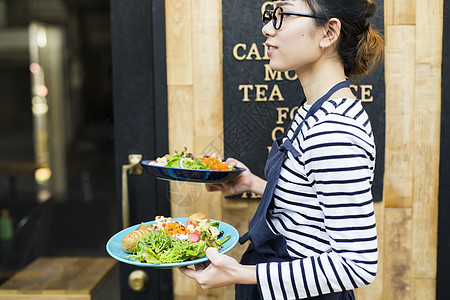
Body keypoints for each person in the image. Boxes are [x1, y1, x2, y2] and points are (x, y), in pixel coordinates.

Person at [179, 0, 384, 299]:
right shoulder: (317, 109)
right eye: (271, 16)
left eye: (283, 16)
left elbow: (357, 264)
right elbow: (313, 208)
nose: (266, 29)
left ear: (329, 32)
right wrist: (253, 184)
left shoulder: (334, 129)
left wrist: (240, 273)